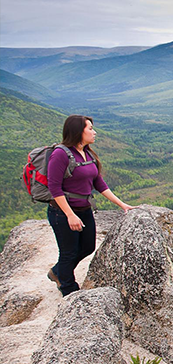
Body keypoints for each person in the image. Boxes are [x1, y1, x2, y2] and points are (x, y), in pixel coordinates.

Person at [47, 115, 134, 296]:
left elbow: (99, 184)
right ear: (79, 132)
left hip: (85, 209)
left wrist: (122, 205)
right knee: (69, 253)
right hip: (62, 212)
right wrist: (70, 215)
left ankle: (57, 271)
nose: (94, 132)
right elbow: (54, 187)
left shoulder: (87, 153)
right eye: (90, 129)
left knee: (87, 247)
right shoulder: (60, 154)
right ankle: (69, 291)